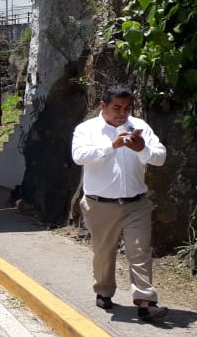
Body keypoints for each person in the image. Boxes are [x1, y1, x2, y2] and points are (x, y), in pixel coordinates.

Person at [71, 85, 168, 321]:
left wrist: (142, 149)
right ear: (102, 106)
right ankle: (104, 291)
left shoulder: (140, 127)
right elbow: (79, 156)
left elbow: (160, 157)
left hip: (136, 203)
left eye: (127, 107)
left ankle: (146, 302)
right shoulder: (86, 129)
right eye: (116, 107)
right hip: (99, 204)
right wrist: (111, 146)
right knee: (104, 252)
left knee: (140, 250)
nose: (122, 112)